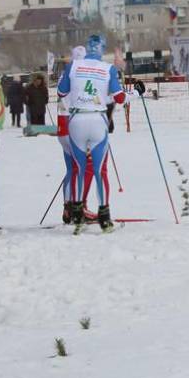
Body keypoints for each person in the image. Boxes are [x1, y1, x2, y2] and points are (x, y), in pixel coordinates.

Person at [57, 35, 126, 231]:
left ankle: (77, 216)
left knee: (78, 169)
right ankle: (105, 218)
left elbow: (61, 92)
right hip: (97, 120)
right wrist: (135, 93)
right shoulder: (108, 68)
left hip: (76, 120)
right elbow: (119, 97)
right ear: (102, 49)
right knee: (100, 171)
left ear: (87, 49)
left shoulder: (72, 66)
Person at [57, 46, 92, 224]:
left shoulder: (65, 74)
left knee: (71, 169)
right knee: (81, 168)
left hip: (62, 126)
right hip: (72, 126)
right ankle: (76, 207)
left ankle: (68, 207)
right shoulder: (78, 76)